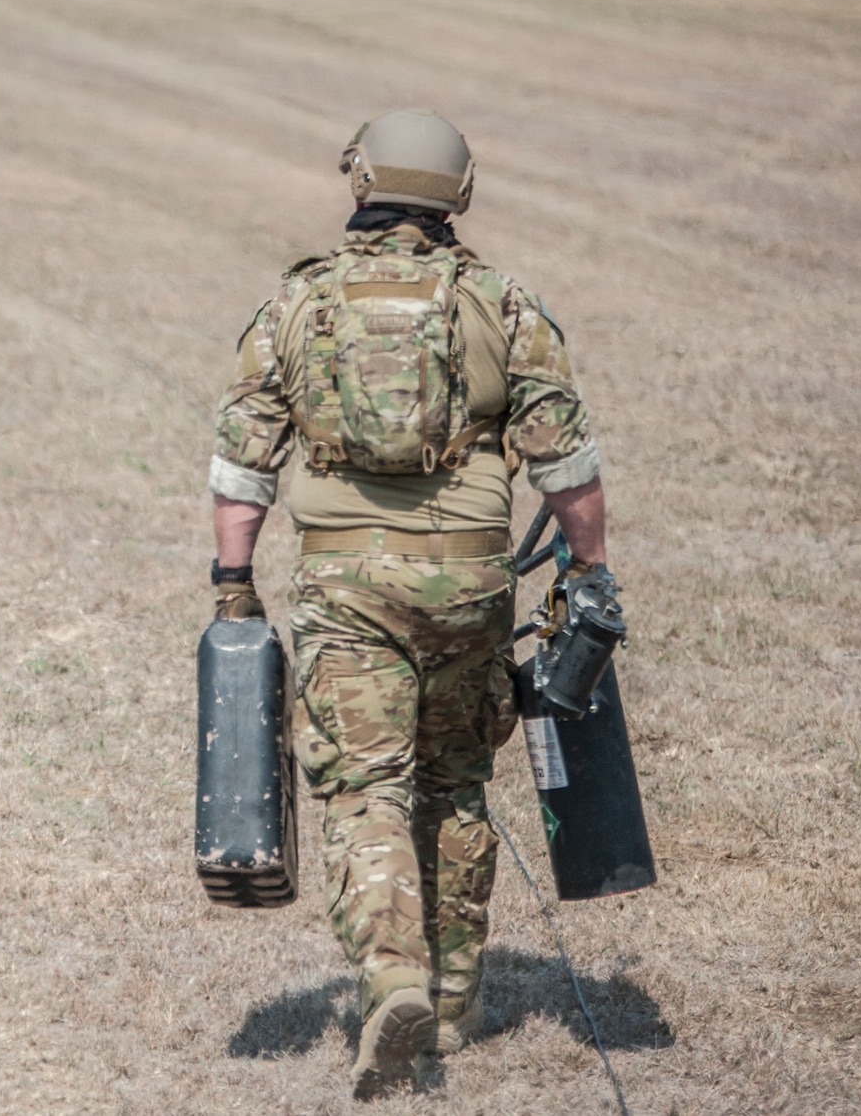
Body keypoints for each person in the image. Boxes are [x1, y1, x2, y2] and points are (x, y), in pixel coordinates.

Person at [207, 109, 613, 1100]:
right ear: (456, 194)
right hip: (471, 582)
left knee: (362, 787)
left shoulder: (296, 304)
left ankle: (388, 975)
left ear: (358, 183)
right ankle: (453, 997)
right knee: (454, 781)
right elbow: (565, 466)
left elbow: (238, 466)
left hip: (345, 584)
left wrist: (233, 588)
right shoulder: (500, 305)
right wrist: (589, 572)